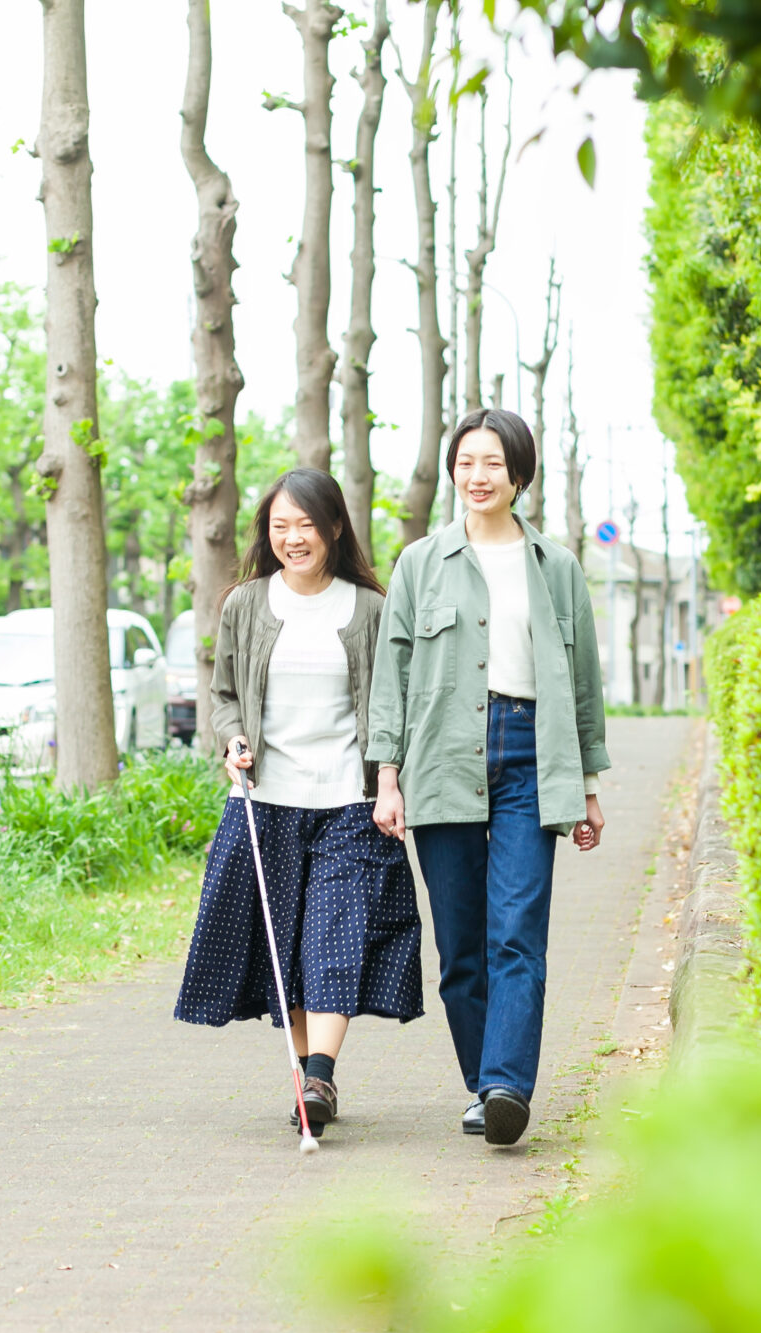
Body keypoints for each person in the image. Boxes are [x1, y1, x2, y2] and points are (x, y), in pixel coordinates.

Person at [369, 408, 610, 1147]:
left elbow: (584, 682)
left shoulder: (557, 567)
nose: (478, 476)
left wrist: (590, 785)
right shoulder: (419, 563)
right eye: (467, 462)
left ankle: (507, 1083)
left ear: (520, 476)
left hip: (531, 754)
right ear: (452, 471)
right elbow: (393, 674)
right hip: (441, 756)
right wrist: (387, 774)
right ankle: (484, 1084)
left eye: (493, 464)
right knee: (461, 946)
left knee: (518, 933)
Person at [174, 468, 422, 1139]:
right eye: (280, 526)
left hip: (349, 800)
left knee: (333, 942)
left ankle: (319, 1075)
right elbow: (222, 694)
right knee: (286, 950)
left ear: (335, 527)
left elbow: (392, 705)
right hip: (267, 803)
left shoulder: (369, 609)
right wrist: (232, 740)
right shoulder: (245, 604)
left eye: (305, 525)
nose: (292, 538)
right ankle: (308, 1077)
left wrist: (389, 781)